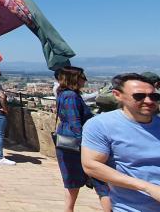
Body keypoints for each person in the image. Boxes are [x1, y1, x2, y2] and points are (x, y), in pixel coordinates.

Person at [82, 73, 160, 211]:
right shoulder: (101, 125)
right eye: (139, 96)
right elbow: (91, 165)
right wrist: (148, 188)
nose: (148, 101)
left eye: (154, 96)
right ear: (118, 95)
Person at [54, 67, 111, 212]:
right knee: (101, 180)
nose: (85, 79)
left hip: (67, 141)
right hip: (75, 144)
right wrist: (87, 144)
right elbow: (75, 122)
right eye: (82, 76)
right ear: (74, 78)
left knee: (72, 182)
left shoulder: (63, 94)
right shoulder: (71, 96)